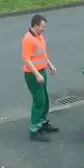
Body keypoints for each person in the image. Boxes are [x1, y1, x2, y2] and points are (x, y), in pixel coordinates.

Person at [21, 14, 59, 142]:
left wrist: (49, 64)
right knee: (39, 101)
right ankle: (34, 130)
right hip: (33, 75)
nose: (44, 29)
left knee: (45, 99)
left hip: (42, 71)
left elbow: (42, 53)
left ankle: (42, 123)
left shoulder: (39, 36)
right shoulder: (27, 39)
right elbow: (27, 59)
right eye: (43, 26)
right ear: (36, 25)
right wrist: (37, 74)